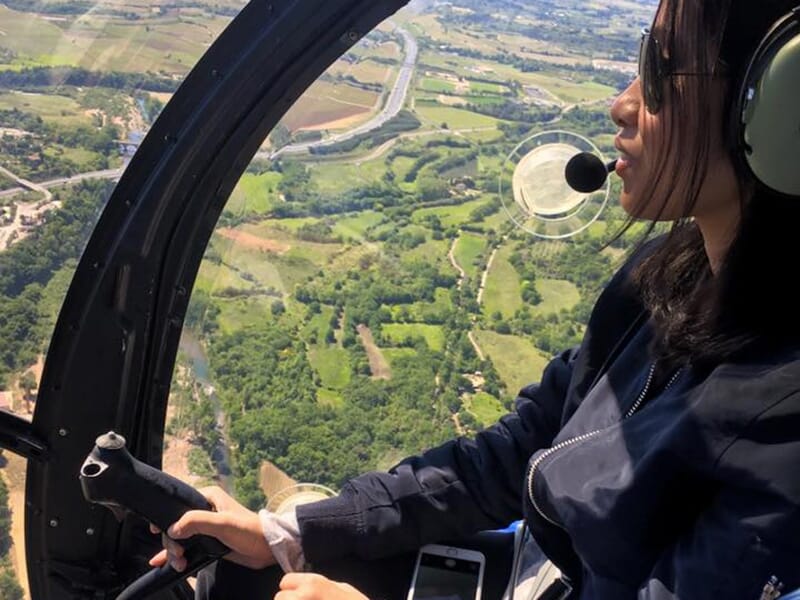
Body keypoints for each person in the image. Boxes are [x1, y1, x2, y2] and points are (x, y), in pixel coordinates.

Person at [150, 0, 800, 597]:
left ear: (776, 111)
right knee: (226, 578)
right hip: (540, 574)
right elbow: (523, 449)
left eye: (659, 75)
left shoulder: (787, 422)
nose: (621, 105)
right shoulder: (667, 275)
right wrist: (297, 532)